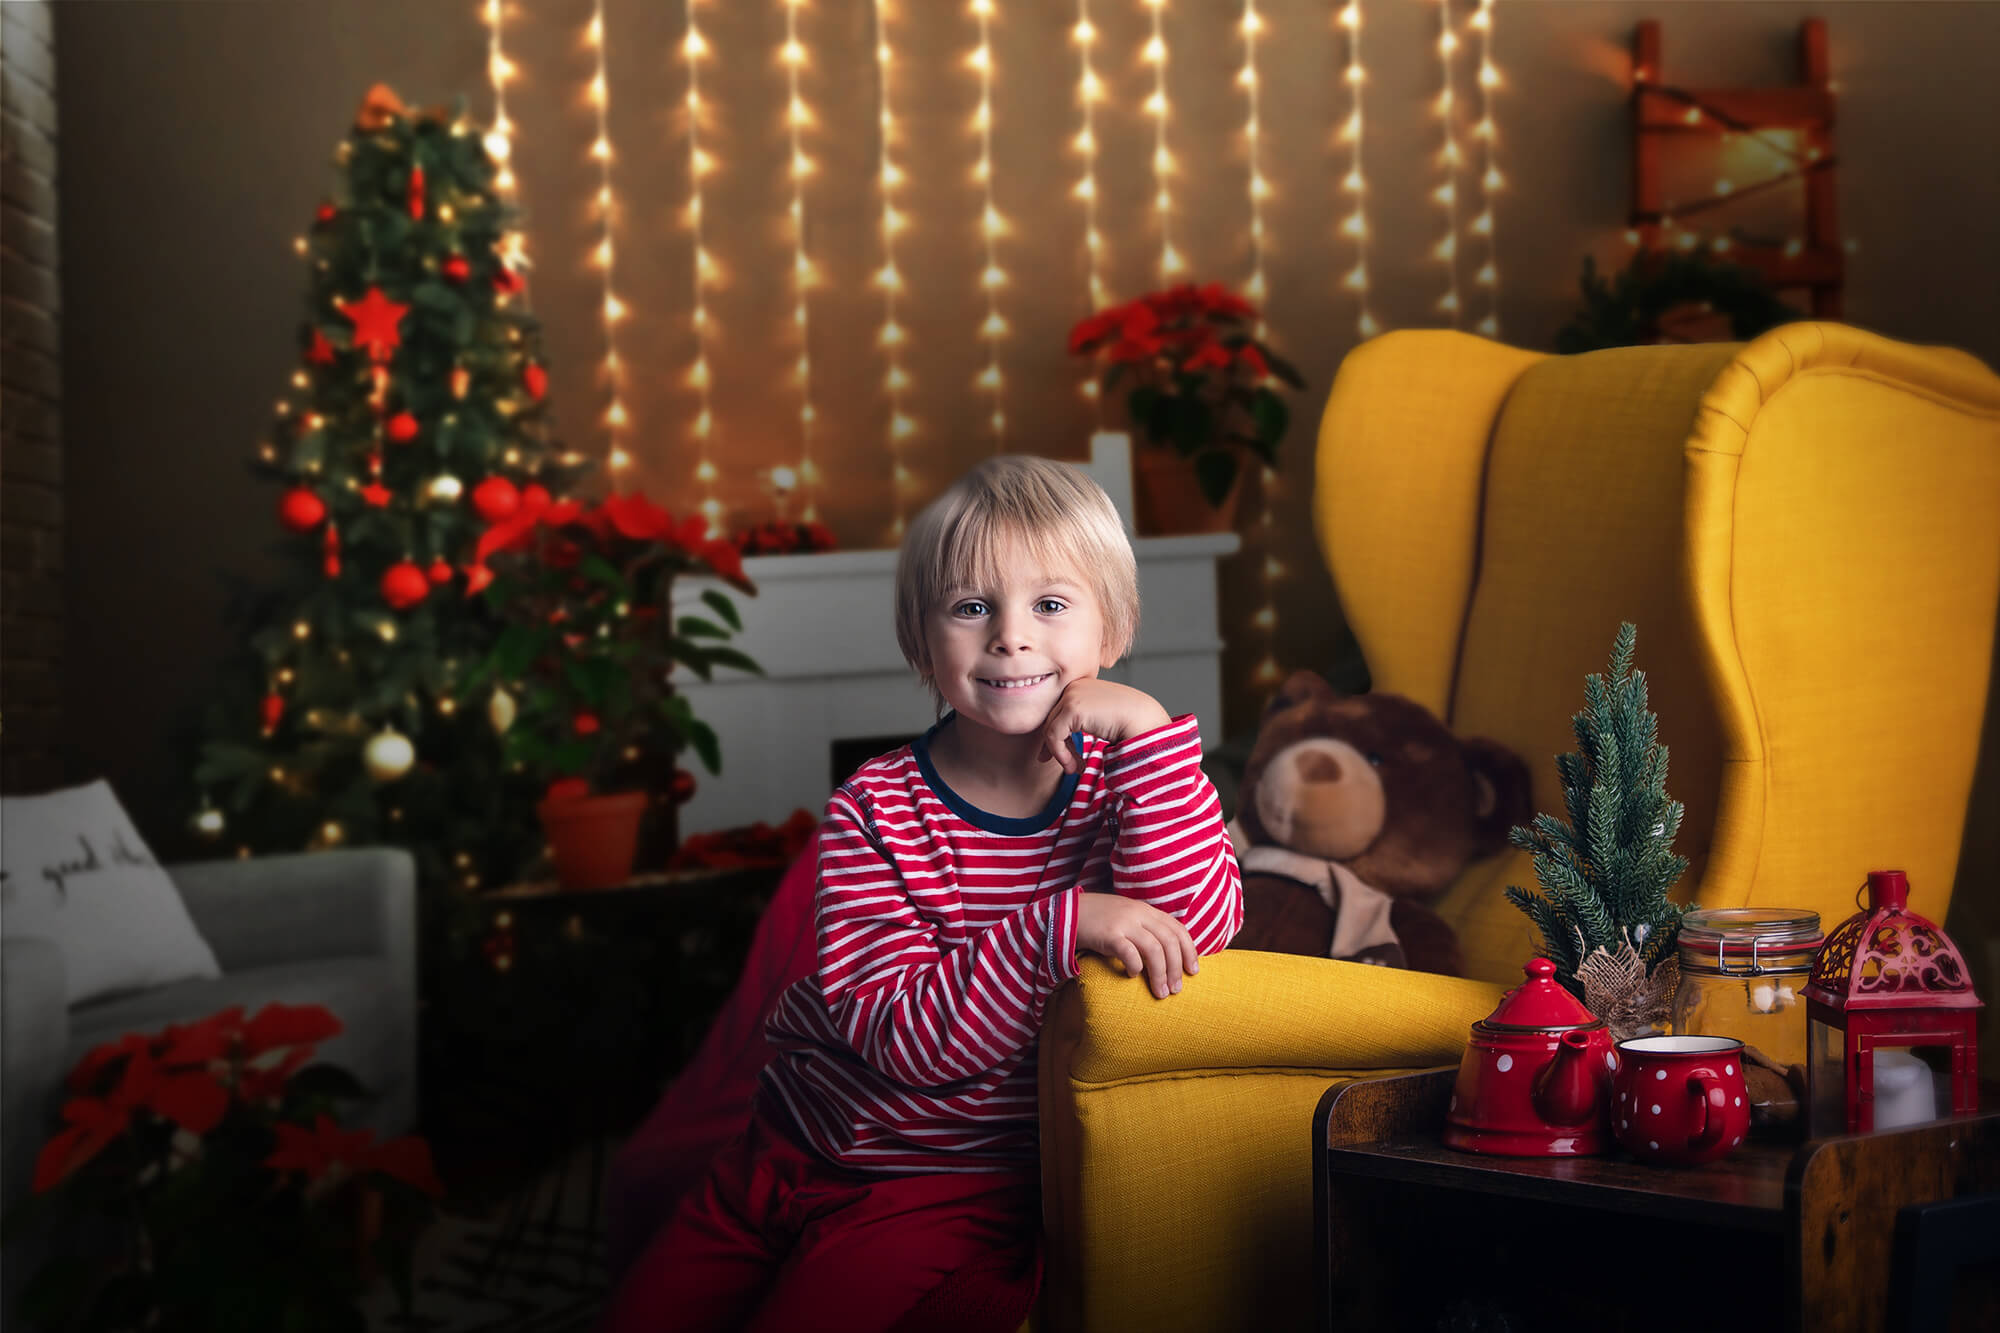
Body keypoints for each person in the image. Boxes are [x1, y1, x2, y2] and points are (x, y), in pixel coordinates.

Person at [605, 456, 1243, 1332]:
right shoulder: (874, 808)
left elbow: (1194, 930)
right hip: (785, 1145)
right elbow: (900, 1036)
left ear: (1114, 629)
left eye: (1051, 605)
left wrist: (1146, 734)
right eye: (971, 606)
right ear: (920, 640)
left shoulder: (1135, 778)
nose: (1011, 637)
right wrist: (1065, 926)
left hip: (944, 1185)